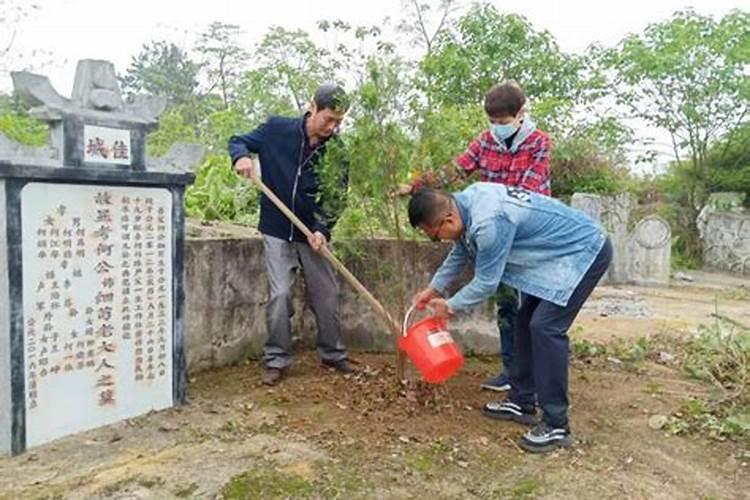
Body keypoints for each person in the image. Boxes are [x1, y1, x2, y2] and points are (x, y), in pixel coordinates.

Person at [408, 184, 612, 453]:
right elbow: (460, 252)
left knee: (545, 328)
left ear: (448, 220)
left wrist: (450, 305)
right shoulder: (465, 205)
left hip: (583, 251)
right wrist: (433, 289)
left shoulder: (489, 222)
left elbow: (486, 282)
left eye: (435, 236)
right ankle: (522, 399)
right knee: (525, 321)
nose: (440, 240)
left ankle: (556, 424)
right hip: (553, 258)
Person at [398, 81, 552, 393]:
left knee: (532, 310)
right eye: (493, 122)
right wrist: (416, 186)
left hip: (525, 236)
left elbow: (529, 193)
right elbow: (455, 169)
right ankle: (513, 371)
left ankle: (533, 377)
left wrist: (449, 303)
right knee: (507, 306)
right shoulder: (486, 142)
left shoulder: (538, 143)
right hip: (492, 233)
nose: (497, 128)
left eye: (503, 122)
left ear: (521, 113)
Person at [228, 83, 354, 385]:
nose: (333, 127)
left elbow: (336, 197)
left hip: (312, 233)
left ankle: (333, 354)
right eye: (329, 119)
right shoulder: (277, 130)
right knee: (281, 293)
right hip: (276, 229)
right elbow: (238, 141)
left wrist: (322, 229)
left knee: (326, 294)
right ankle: (277, 359)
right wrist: (241, 158)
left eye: (339, 121)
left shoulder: (336, 151)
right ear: (312, 108)